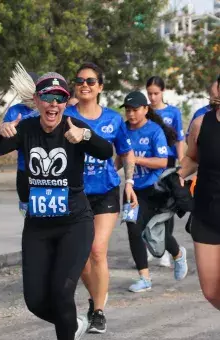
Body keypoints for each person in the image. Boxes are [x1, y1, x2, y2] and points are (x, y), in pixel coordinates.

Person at [0, 72, 114, 340]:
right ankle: (73, 324)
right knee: (35, 301)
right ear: (36, 99)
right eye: (47, 97)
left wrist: (85, 135)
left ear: (66, 102)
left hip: (74, 223)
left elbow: (105, 151)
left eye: (60, 98)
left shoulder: (73, 126)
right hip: (38, 226)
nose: (53, 104)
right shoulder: (26, 128)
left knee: (61, 292)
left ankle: (67, 329)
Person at [64, 62, 137, 334]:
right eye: (80, 80)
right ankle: (95, 298)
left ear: (100, 87)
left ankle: (98, 312)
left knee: (97, 250)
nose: (85, 85)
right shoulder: (65, 115)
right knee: (81, 257)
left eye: (91, 81)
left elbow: (126, 152)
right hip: (74, 193)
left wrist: (127, 181)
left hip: (106, 191)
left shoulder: (113, 119)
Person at [115, 91, 188, 293]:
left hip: (154, 190)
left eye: (135, 110)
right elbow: (119, 159)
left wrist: (135, 159)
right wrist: (110, 174)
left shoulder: (154, 131)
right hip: (132, 189)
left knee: (154, 231)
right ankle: (144, 278)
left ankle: (177, 254)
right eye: (128, 110)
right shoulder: (123, 130)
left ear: (145, 109)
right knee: (133, 228)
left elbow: (162, 162)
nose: (131, 114)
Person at [177, 77, 220, 310]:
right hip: (206, 214)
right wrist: (176, 176)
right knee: (212, 291)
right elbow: (193, 158)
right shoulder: (201, 123)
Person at [146, 76, 185, 267]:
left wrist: (182, 166)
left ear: (163, 92)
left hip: (168, 162)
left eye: (156, 93)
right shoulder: (144, 110)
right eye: (150, 93)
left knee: (167, 207)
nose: (152, 97)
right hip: (149, 163)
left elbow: (179, 139)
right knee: (150, 205)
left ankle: (166, 250)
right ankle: (151, 246)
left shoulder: (173, 112)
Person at [3, 67, 39, 215]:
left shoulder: (50, 108)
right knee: (28, 214)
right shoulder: (14, 111)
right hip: (25, 171)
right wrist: (6, 130)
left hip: (50, 172)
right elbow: (5, 140)